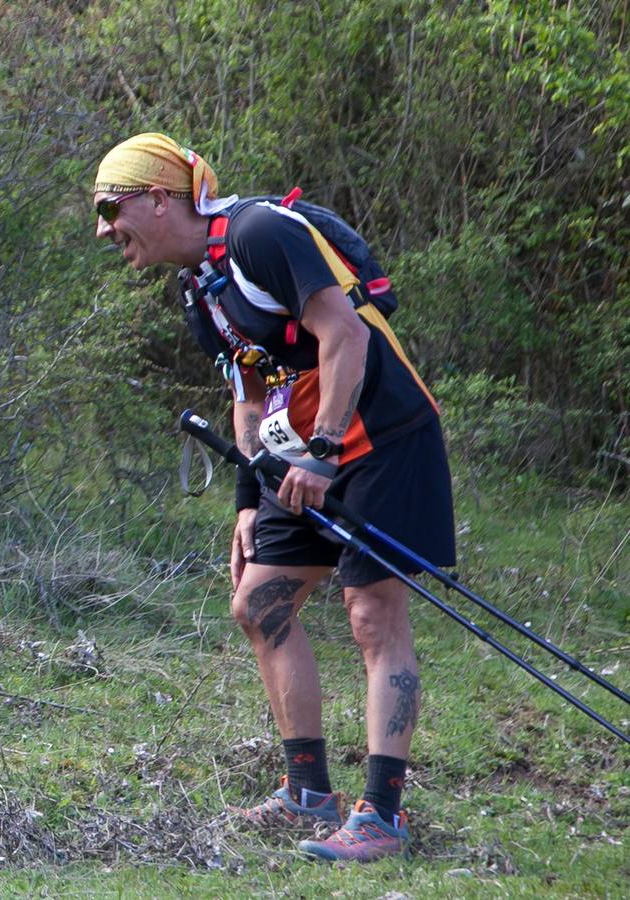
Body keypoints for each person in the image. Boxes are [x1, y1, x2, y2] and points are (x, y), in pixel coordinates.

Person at [91, 133, 455, 862]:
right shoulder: (198, 288)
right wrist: (248, 500)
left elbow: (345, 335)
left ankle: (381, 817)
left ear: (158, 198)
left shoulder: (260, 232)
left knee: (371, 612)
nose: (104, 230)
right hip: (300, 454)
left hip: (381, 434)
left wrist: (322, 454)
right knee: (258, 604)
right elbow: (250, 391)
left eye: (110, 208)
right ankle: (305, 794)